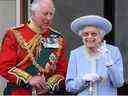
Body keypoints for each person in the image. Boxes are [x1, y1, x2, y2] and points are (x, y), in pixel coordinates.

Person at [0, 0, 67, 95]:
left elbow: (62, 71)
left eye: (51, 14)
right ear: (32, 13)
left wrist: (49, 86)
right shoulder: (14, 34)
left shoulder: (58, 38)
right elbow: (5, 67)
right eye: (45, 14)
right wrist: (29, 79)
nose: (48, 18)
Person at [66, 15, 124, 95]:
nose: (89, 37)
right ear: (81, 36)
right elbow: (69, 87)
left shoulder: (113, 52)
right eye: (86, 34)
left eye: (94, 34)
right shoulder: (75, 54)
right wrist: (83, 79)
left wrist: (110, 64)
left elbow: (119, 83)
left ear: (101, 36)